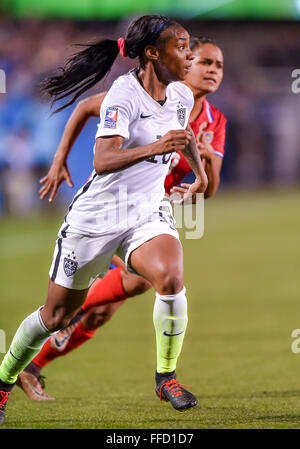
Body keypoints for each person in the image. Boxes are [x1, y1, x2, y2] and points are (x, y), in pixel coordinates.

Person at [0, 14, 208, 424]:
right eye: (181, 47)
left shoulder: (181, 95)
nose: (190, 54)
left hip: (146, 213)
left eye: (190, 46)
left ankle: (166, 376)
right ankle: (3, 381)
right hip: (96, 218)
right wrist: (154, 149)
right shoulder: (123, 96)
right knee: (55, 316)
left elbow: (180, 137)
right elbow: (103, 158)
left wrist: (199, 173)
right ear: (152, 53)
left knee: (170, 278)